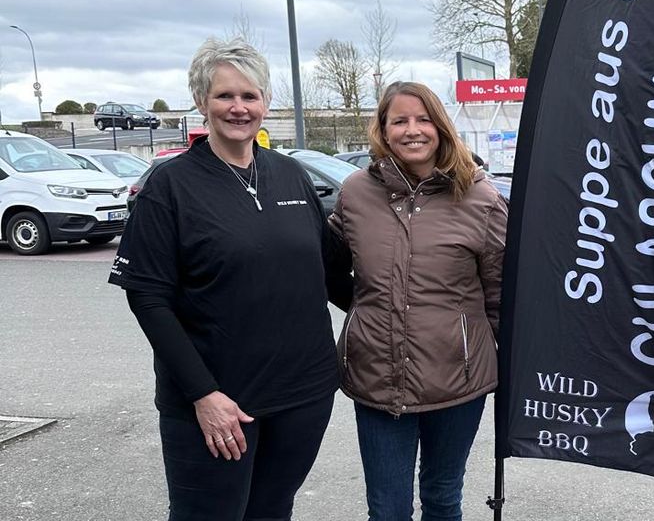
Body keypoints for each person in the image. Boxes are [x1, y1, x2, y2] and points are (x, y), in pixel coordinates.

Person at [108, 37, 341, 520]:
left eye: (249, 96)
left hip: (303, 395)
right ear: (202, 101)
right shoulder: (170, 185)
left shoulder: (291, 175)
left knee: (272, 510)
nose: (239, 107)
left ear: (265, 102)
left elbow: (332, 272)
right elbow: (147, 298)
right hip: (218, 402)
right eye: (225, 96)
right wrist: (203, 394)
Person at [327, 81, 508, 520]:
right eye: (400, 121)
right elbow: (329, 268)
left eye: (423, 119)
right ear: (383, 130)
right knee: (387, 509)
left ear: (441, 127)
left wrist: (515, 366)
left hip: (458, 379)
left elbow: (500, 294)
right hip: (377, 376)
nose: (412, 130)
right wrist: (366, 314)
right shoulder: (355, 193)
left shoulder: (480, 197)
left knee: (443, 497)